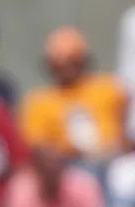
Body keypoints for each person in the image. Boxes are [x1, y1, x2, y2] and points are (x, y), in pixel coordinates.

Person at [20, 27, 126, 161]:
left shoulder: (109, 88)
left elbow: (126, 130)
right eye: (59, 63)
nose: (66, 68)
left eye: (72, 61)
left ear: (83, 60)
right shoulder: (38, 102)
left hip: (113, 161)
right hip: (68, 168)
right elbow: (37, 149)